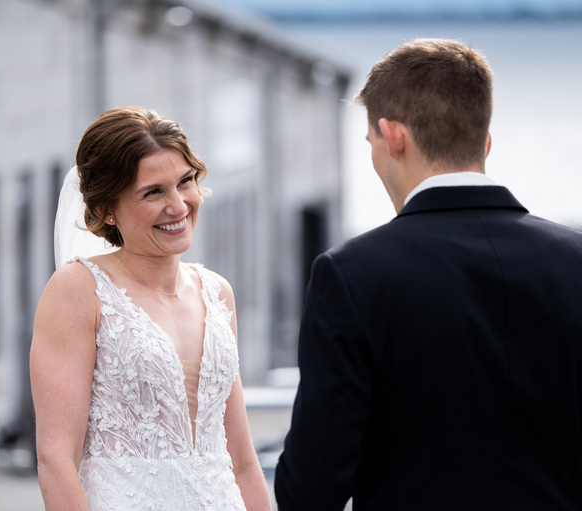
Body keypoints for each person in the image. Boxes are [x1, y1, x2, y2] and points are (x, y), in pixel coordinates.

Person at [275, 38, 582, 510]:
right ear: (485, 142)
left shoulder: (351, 273)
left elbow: (311, 490)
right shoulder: (574, 258)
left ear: (393, 136)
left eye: (372, 142)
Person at [30, 106, 271, 511]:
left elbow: (243, 461)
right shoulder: (78, 290)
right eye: (153, 192)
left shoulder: (217, 293)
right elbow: (56, 460)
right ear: (106, 210)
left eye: (185, 181)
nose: (178, 206)